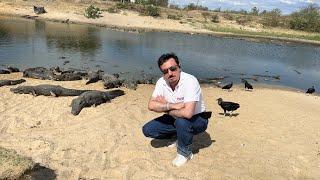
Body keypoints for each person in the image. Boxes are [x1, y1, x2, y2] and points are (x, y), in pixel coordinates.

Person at [142, 52, 209, 167]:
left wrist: (164, 107)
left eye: (173, 69)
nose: (170, 73)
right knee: (148, 130)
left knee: (182, 121)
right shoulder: (161, 82)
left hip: (198, 119)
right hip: (174, 117)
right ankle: (179, 136)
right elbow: (151, 105)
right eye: (165, 71)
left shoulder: (190, 81)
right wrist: (171, 105)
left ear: (179, 67)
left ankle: (185, 153)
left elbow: (188, 113)